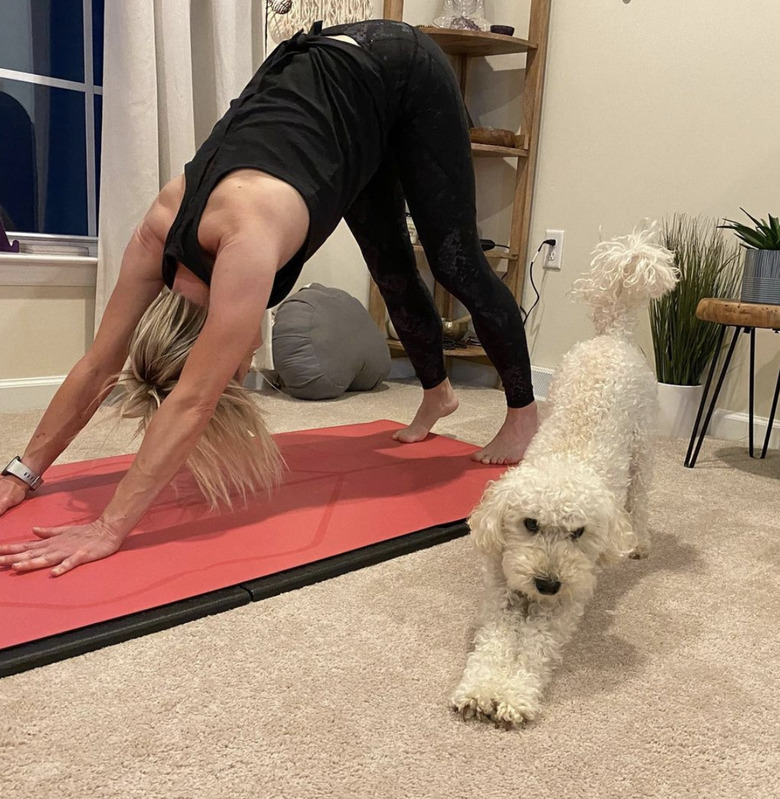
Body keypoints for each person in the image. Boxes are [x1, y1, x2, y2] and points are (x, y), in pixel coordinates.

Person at [0, 20, 538, 576]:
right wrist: (20, 472)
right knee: (390, 266)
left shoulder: (244, 246)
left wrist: (109, 527)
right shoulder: (158, 234)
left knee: (455, 262)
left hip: (400, 68)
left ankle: (523, 414)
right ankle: (438, 394)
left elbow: (193, 400)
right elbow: (97, 364)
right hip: (343, 97)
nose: (240, 370)